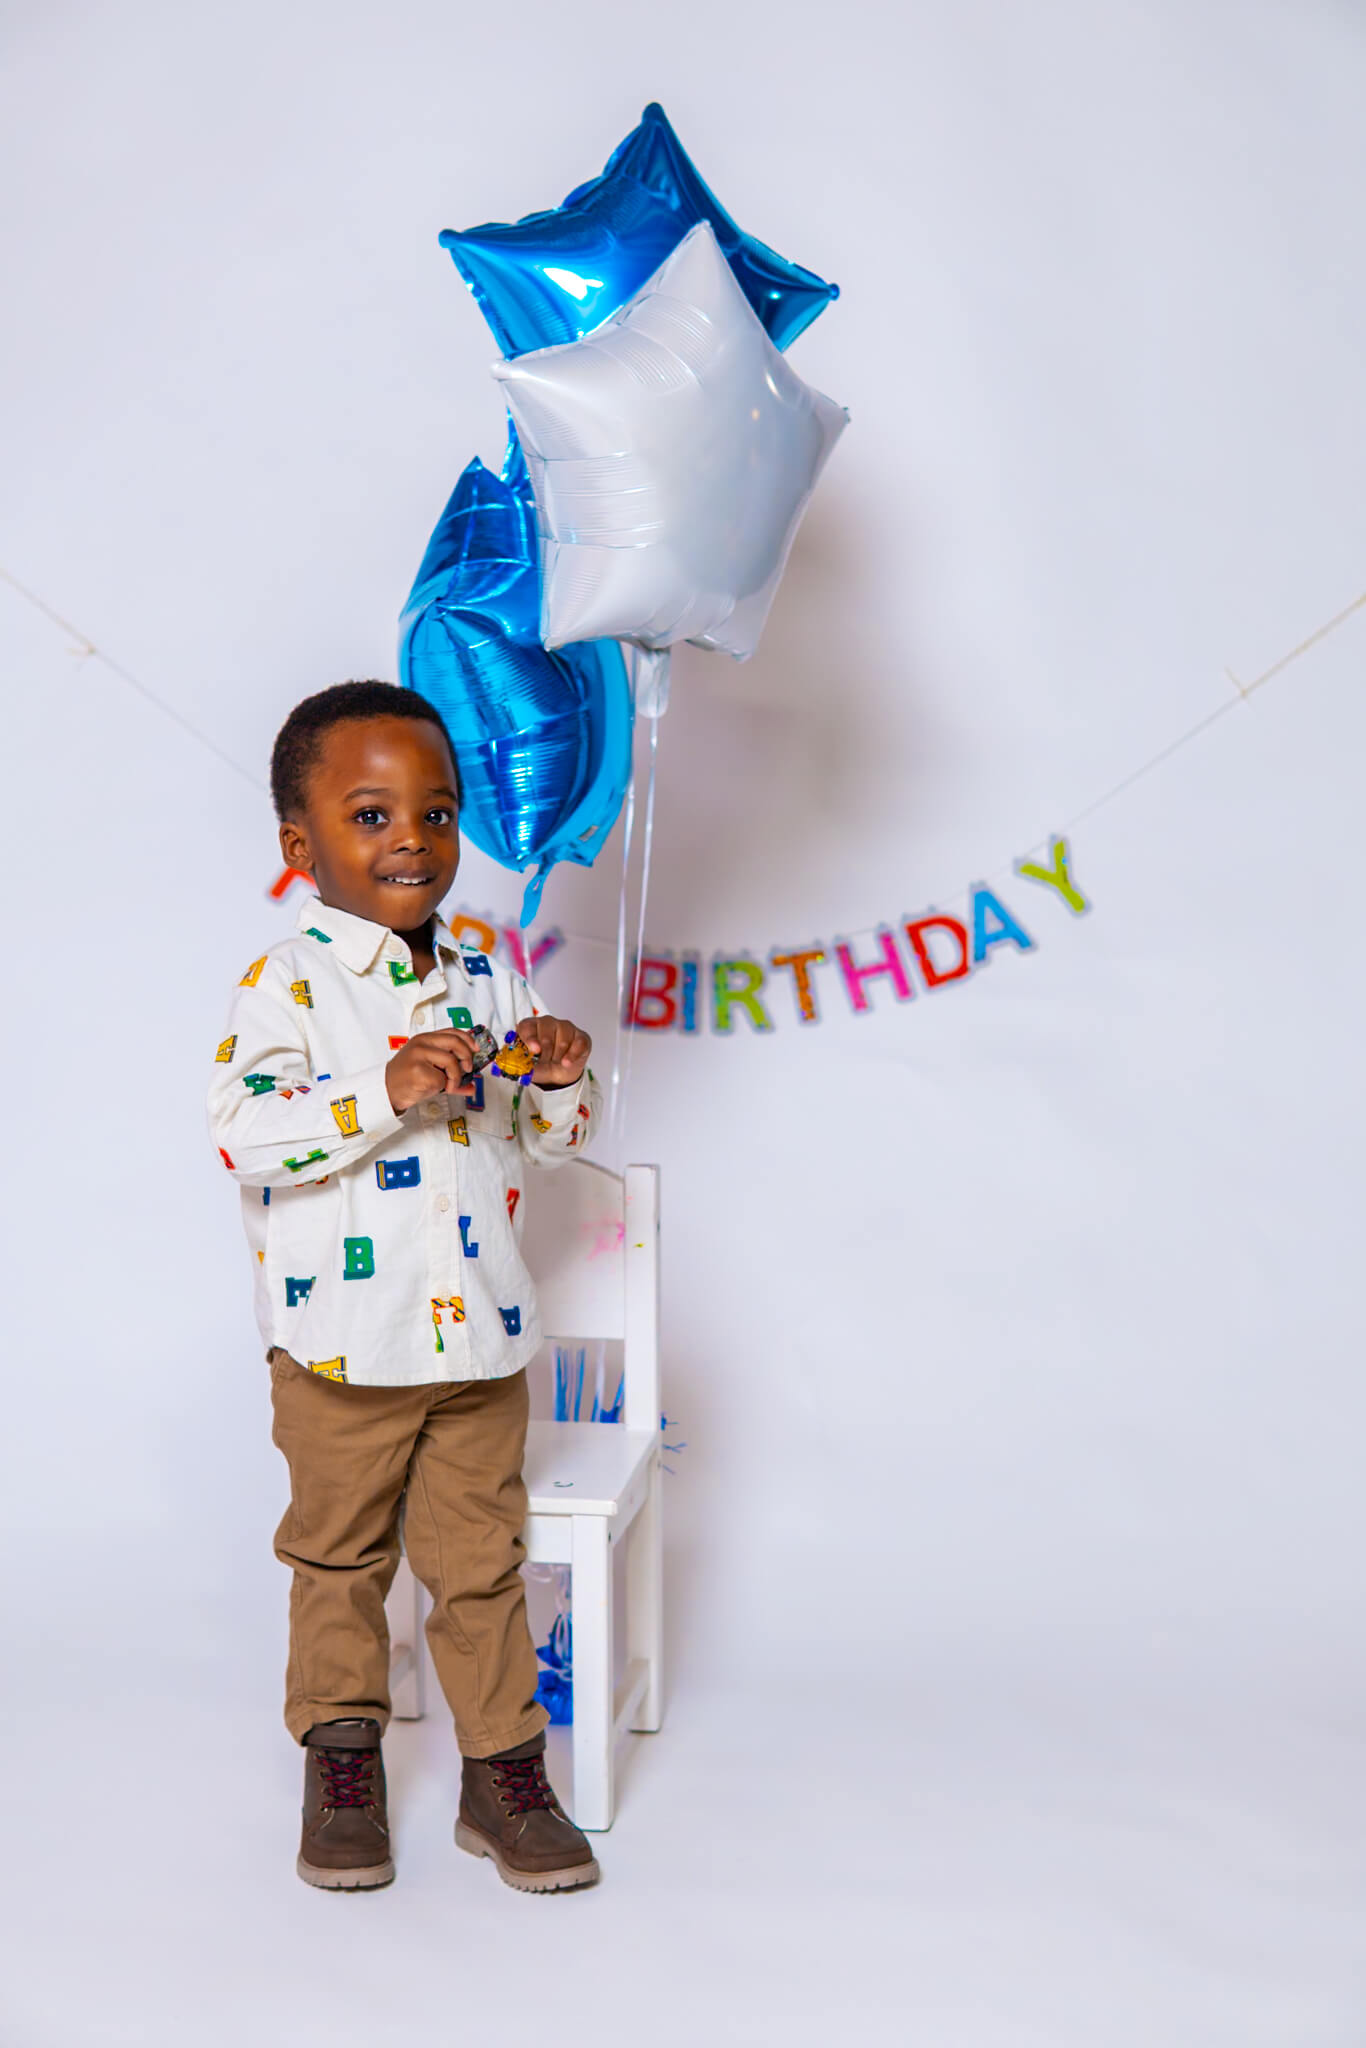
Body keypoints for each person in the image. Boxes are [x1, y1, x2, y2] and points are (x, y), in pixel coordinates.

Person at [206, 679, 603, 1894]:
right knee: (338, 1561)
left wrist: (551, 1074)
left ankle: (503, 1770)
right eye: (372, 814)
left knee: (481, 1563)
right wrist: (382, 1086)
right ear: (301, 843)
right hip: (340, 1346)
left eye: (435, 812)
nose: (411, 841)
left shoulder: (489, 967)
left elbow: (547, 1144)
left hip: (477, 1342)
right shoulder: (289, 983)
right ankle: (343, 1759)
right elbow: (244, 1132)